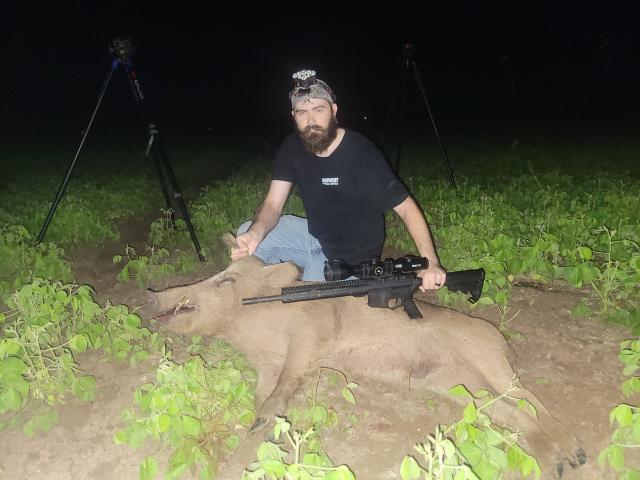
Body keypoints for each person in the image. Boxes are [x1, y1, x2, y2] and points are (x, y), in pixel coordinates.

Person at [231, 69, 446, 291]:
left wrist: (430, 262)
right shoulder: (291, 147)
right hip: (313, 238)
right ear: (293, 115)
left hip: (350, 259)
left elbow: (406, 207)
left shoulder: (361, 153)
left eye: (318, 110)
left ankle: (311, 275)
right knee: (248, 234)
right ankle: (283, 275)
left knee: (311, 299)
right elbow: (273, 205)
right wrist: (255, 233)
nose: (311, 121)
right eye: (302, 112)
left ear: (333, 111)